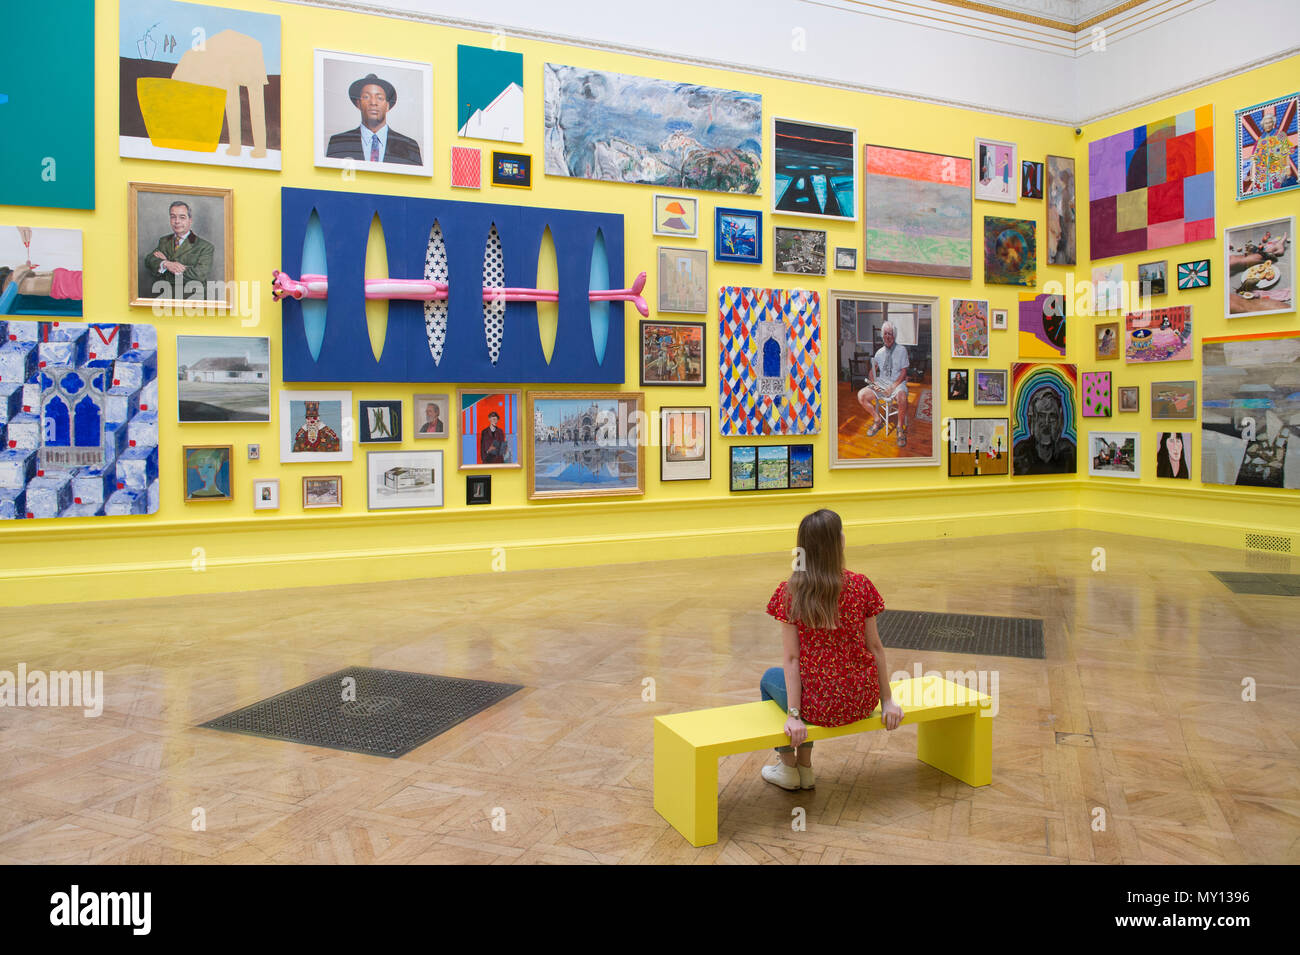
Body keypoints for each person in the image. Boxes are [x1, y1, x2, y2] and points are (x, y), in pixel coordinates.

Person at [760, 509, 904, 791]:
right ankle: (805, 769)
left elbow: (791, 660)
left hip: (820, 707)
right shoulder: (861, 586)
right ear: (837, 542)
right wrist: (887, 701)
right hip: (861, 700)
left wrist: (794, 715)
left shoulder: (791, 592)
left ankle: (790, 767)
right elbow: (875, 647)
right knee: (794, 679)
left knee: (769, 678)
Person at [326, 73, 422, 166]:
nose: (373, 102)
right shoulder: (338, 143)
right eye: (366, 97)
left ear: (388, 105)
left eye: (379, 98)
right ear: (358, 103)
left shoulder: (409, 147)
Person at [855, 320, 910, 448]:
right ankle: (877, 420)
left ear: (894, 335)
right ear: (882, 336)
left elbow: (904, 372)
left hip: (897, 383)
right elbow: (872, 370)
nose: (887, 336)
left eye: (890, 333)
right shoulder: (879, 353)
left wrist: (892, 387)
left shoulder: (902, 350)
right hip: (882, 382)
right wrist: (872, 379)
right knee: (861, 395)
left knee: (902, 397)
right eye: (885, 334)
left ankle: (899, 428)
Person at [145, 201, 215, 300]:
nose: (177, 221)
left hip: (192, 300)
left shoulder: (205, 246)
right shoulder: (164, 241)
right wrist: (166, 264)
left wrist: (168, 267)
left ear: (190, 220)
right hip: (165, 298)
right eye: (173, 217)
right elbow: (149, 261)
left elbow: (199, 275)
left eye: (182, 217)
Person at [1012, 387, 1076, 474]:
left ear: (1059, 421)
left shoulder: (1069, 452)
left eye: (1052, 416)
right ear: (1033, 419)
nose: (1046, 423)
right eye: (1041, 415)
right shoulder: (1021, 452)